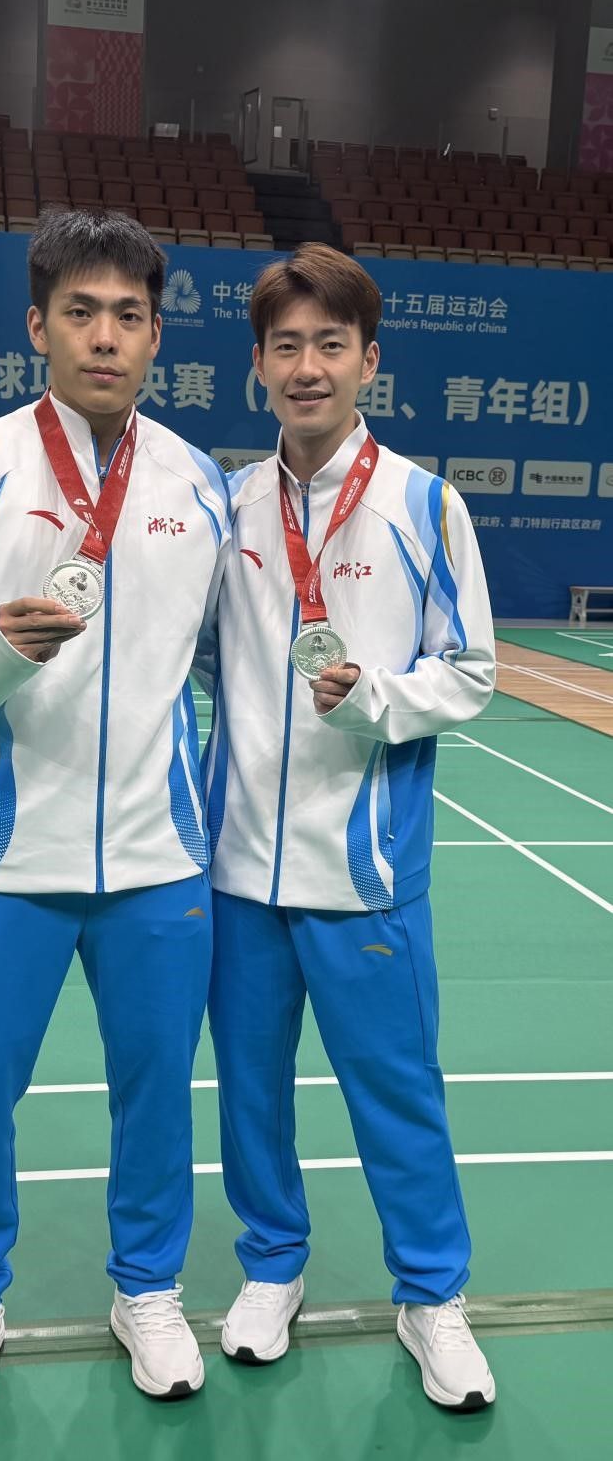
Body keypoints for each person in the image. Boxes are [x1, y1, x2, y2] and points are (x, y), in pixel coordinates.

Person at [0, 209, 231, 1414]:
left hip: (158, 860)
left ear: (156, 336)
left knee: (157, 1092)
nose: (105, 336)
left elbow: (229, 661)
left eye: (129, 316)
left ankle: (148, 1288)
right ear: (37, 326)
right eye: (80, 312)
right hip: (6, 857)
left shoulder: (199, 481)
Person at [205, 243, 497, 1411]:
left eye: (332, 343)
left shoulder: (426, 505)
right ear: (259, 364)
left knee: (398, 1093)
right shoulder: (226, 506)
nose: (309, 366)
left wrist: (378, 695)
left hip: (366, 868)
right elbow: (195, 660)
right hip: (237, 869)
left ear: (370, 360)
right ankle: (271, 1265)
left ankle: (432, 1295)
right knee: (250, 1092)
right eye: (287, 345)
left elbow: (471, 670)